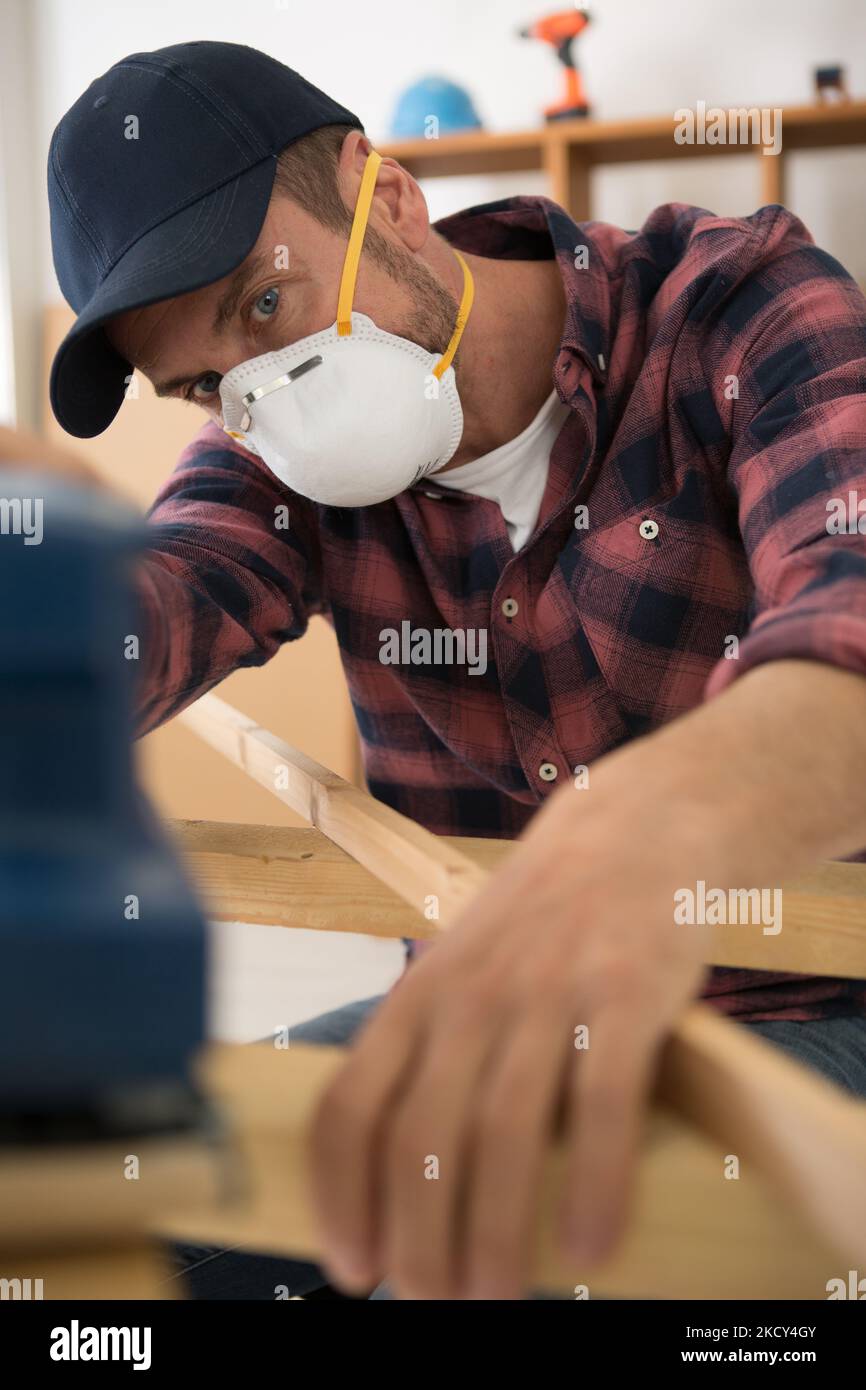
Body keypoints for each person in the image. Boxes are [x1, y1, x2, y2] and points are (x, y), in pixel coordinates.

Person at [22, 39, 866, 1299]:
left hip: (803, 1010)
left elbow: (846, 626)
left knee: (525, 1239)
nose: (263, 402)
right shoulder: (273, 467)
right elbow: (153, 604)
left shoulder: (737, 308)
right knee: (99, 1218)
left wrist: (640, 843)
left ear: (388, 194)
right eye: (206, 384)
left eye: (265, 305)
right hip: (493, 1024)